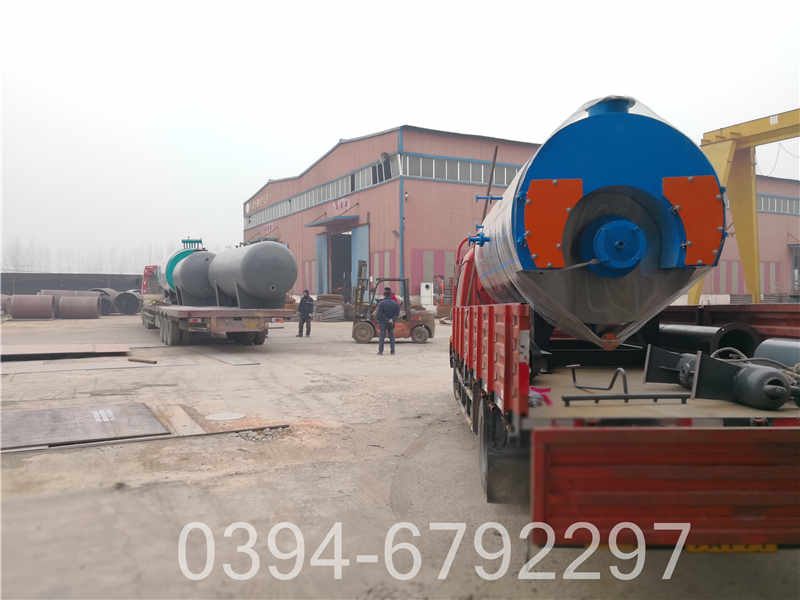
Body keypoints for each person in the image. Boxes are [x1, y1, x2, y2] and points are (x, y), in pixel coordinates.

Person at [376, 288, 400, 355]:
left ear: (384, 295)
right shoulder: (395, 303)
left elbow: (379, 314)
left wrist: (385, 319)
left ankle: (380, 351)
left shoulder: (381, 303)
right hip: (391, 322)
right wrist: (392, 319)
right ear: (390, 295)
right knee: (392, 337)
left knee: (382, 337)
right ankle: (392, 351)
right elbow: (397, 314)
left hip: (383, 323)